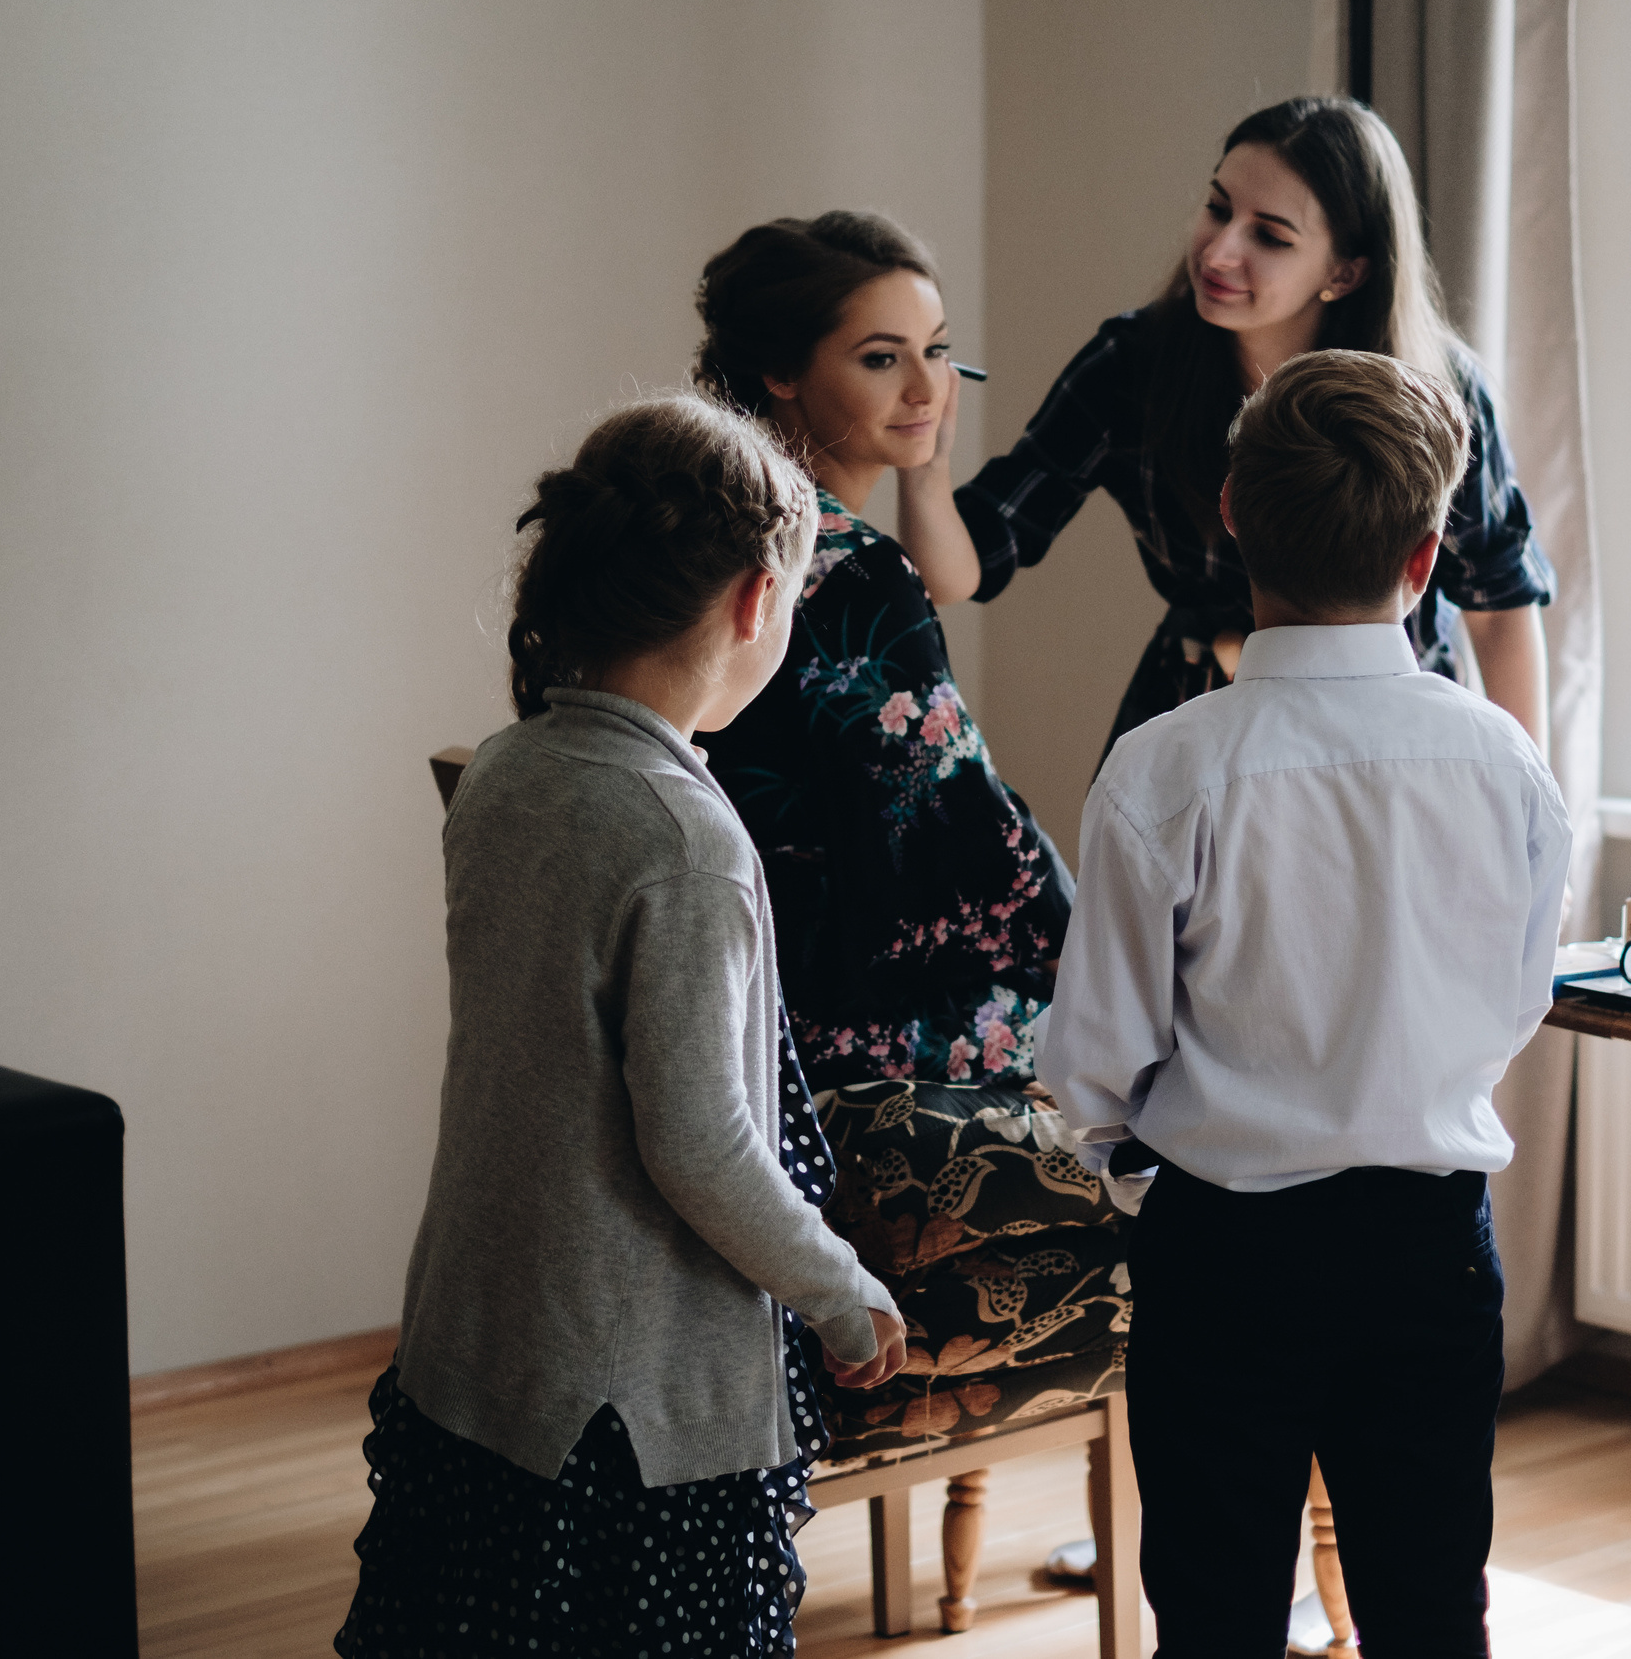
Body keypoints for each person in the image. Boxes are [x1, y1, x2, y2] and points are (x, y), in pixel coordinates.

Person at [336, 396, 908, 1659]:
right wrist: (841, 1293)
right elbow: (700, 1141)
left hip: (480, 1342)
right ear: (757, 602)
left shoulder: (507, 769)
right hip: (625, 1411)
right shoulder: (680, 836)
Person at [1039, 351, 1571, 1657]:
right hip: (1429, 1248)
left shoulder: (1166, 770)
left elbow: (1093, 1058)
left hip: (1225, 1255)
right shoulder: (1501, 755)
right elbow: (1517, 995)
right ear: (1428, 553)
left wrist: (1127, 1174)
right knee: (1432, 1605)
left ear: (1230, 508)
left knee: (1216, 1613)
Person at [892, 94, 1554, 759]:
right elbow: (961, 569)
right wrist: (924, 461)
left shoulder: (1443, 390)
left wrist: (1528, 817)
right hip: (1200, 718)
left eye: (1269, 235)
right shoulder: (1133, 366)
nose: (1218, 250)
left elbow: (1498, 611)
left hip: (1393, 736)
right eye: (1218, 207)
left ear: (1346, 272)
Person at [690, 213, 1069, 1091]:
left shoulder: (708, 523)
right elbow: (962, 841)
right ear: (780, 370)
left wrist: (927, 470)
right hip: (824, 1009)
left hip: (723, 977)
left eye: (938, 351)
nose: (926, 389)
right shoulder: (849, 570)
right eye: (881, 358)